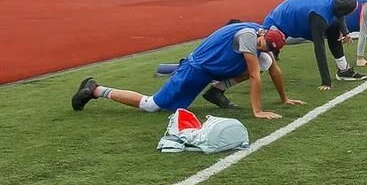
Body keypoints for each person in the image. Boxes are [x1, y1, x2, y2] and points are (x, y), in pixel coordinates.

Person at [71, 23, 302, 119]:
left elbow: (274, 70)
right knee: (152, 106)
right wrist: (258, 111)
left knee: (265, 63)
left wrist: (285, 98)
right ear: (262, 36)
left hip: (214, 68)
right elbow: (254, 76)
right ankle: (96, 89)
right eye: (263, 46)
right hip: (197, 69)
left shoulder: (260, 34)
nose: (263, 49)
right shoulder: (249, 36)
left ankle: (215, 91)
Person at [264, 0, 367, 89]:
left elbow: (340, 14)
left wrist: (345, 32)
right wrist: (326, 82)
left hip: (297, 17)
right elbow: (319, 48)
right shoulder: (319, 16)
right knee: (266, 53)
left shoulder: (336, 0)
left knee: (334, 28)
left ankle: (344, 70)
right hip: (279, 24)